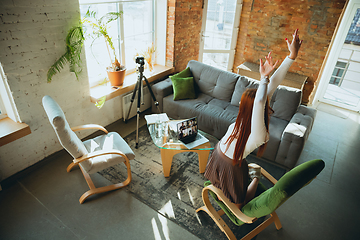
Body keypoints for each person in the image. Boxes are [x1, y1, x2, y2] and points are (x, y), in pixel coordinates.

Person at [204, 29, 303, 209]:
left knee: (233, 195)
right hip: (226, 161)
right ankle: (255, 177)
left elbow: (265, 93)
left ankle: (247, 178)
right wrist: (265, 77)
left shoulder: (249, 125)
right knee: (240, 205)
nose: (267, 99)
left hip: (219, 154)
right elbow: (261, 100)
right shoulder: (260, 132)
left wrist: (291, 57)